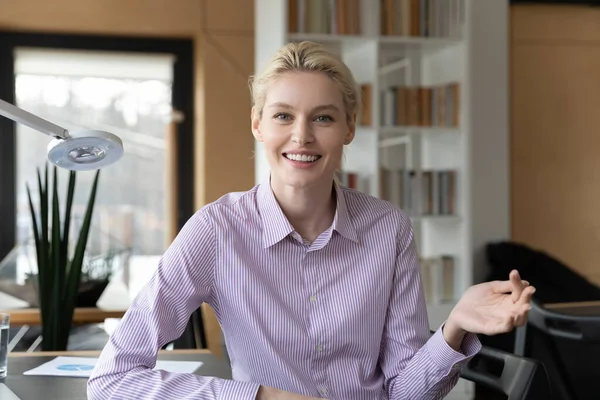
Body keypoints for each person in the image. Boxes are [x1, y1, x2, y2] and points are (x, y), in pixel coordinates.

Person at [87, 41, 535, 400]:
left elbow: (404, 392)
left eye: (323, 117)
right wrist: (262, 398)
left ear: (349, 128)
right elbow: (112, 378)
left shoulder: (389, 229)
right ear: (258, 123)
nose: (302, 136)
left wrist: (455, 325)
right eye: (283, 115)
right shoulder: (215, 231)